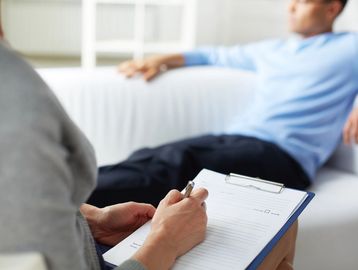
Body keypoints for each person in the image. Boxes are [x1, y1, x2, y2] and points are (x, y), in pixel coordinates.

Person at [0, 13, 299, 270]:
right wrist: (166, 240)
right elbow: (218, 55)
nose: (292, 8)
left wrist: (93, 219)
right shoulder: (16, 100)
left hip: (275, 150)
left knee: (157, 160)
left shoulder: (345, 49)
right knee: (282, 230)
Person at [87, 0, 358, 208]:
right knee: (152, 155)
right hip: (237, 139)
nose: (291, 7)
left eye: (303, 2)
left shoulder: (350, 46)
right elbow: (213, 55)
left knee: (177, 164)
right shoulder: (274, 50)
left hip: (283, 158)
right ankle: (71, 186)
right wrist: (162, 60)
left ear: (332, 8)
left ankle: (68, 194)